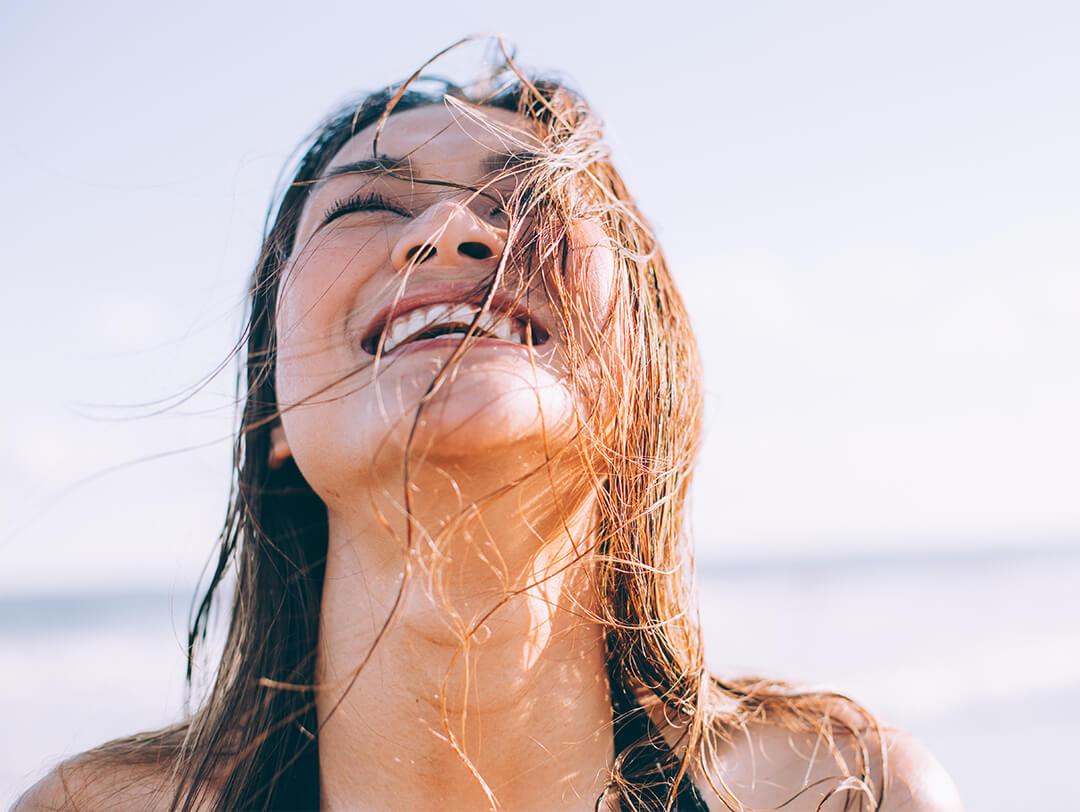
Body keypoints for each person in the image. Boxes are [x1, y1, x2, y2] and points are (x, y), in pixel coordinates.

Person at [17, 42, 962, 812]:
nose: (455, 233)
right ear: (272, 413)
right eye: (368, 205)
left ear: (643, 378)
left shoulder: (846, 796)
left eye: (531, 203)